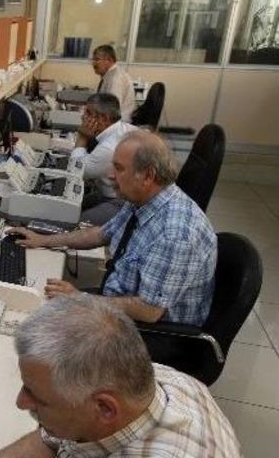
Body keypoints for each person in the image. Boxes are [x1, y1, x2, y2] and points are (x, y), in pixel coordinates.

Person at [11, 130, 216, 327]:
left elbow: (149, 311)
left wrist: (79, 298)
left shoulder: (175, 234)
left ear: (147, 176)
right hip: (120, 301)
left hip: (153, 332)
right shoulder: (142, 199)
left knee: (39, 327)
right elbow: (101, 234)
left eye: (119, 168)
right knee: (38, 303)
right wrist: (42, 240)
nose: (110, 175)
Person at [0, 296, 240, 457]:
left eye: (38, 398)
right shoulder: (143, 376)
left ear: (105, 408)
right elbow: (51, 440)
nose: (20, 402)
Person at [74, 93, 139, 225]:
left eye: (88, 113)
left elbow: (76, 171)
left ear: (104, 118)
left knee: (75, 222)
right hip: (108, 192)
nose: (83, 116)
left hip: (122, 203)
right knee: (72, 207)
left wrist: (82, 138)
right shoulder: (122, 129)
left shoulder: (109, 147)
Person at [91, 45, 135, 123]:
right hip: (112, 122)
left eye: (97, 59)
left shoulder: (115, 79)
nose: (93, 63)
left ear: (109, 60)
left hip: (117, 125)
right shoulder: (110, 76)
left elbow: (111, 111)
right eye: (93, 60)